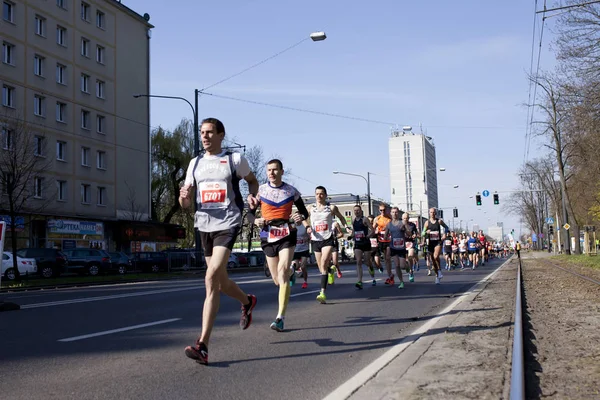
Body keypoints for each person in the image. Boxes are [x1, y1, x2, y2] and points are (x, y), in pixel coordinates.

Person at [179, 117, 258, 365]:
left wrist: (253, 197)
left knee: (211, 277)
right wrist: (184, 197)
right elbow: (185, 204)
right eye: (202, 132)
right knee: (221, 283)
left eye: (210, 132)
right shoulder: (195, 163)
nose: (205, 137)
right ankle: (247, 301)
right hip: (204, 225)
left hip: (228, 222)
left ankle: (203, 345)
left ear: (221, 135)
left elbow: (252, 182)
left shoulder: (235, 160)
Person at [250, 159, 309, 332]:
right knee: (277, 280)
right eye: (269, 170)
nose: (272, 173)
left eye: (275, 170)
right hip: (267, 235)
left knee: (282, 274)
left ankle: (280, 318)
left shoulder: (291, 191)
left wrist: (300, 217)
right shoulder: (260, 191)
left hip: (287, 233)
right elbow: (249, 215)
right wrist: (256, 221)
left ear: (282, 172)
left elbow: (304, 211)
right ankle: (291, 271)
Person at [306, 186, 352, 304]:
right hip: (316, 240)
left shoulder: (331, 207)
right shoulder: (310, 208)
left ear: (326, 195)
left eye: (321, 194)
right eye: (317, 194)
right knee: (321, 268)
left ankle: (322, 293)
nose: (319, 196)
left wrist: (346, 227)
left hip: (328, 239)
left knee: (324, 262)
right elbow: (303, 218)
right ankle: (329, 272)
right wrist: (307, 226)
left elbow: (341, 218)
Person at [422, 208, 451, 284]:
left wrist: (445, 234)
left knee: (435, 256)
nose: (432, 214)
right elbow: (422, 233)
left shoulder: (439, 221)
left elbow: (447, 228)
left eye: (434, 212)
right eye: (431, 212)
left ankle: (439, 270)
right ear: (429, 213)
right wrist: (426, 232)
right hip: (430, 243)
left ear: (436, 213)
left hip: (438, 242)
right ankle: (437, 275)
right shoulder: (427, 223)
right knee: (433, 261)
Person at [384, 207, 410, 288]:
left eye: (396, 212)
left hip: (401, 247)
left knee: (402, 266)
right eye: (393, 212)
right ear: (390, 214)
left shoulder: (402, 223)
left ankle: (407, 266)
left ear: (398, 213)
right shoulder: (389, 224)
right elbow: (385, 236)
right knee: (397, 265)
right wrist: (388, 239)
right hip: (393, 247)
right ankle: (401, 282)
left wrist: (405, 229)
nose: (394, 214)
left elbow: (409, 234)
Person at [350, 204, 376, 289]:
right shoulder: (353, 220)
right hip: (358, 243)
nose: (356, 212)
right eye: (355, 211)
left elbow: (372, 230)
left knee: (367, 262)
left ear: (361, 211)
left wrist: (368, 236)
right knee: (358, 261)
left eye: (358, 210)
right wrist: (351, 236)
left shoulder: (365, 219)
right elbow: (354, 231)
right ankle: (360, 281)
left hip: (366, 243)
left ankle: (371, 269)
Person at [373, 204, 393, 284]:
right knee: (385, 259)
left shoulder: (390, 218)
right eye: (381, 210)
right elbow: (372, 229)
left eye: (384, 210)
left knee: (388, 258)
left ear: (387, 210)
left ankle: (390, 276)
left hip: (389, 241)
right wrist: (376, 231)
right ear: (379, 210)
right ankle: (390, 275)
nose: (382, 212)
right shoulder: (377, 219)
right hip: (381, 241)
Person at [292, 222, 311, 289]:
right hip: (295, 250)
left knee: (303, 266)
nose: (297, 219)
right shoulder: (292, 225)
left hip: (304, 249)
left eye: (299, 217)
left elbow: (310, 237)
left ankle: (305, 281)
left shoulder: (305, 226)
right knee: (296, 267)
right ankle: (292, 276)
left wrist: (308, 238)